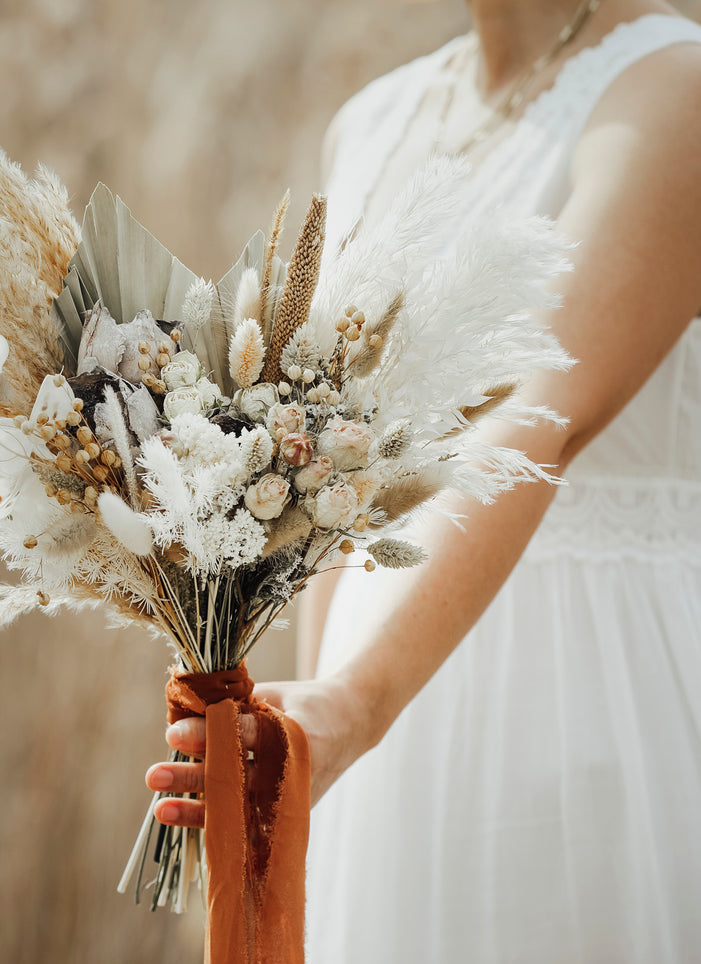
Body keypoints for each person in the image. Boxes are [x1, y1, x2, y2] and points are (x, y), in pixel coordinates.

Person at [143, 1, 701, 959]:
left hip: (586, 694)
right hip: (372, 722)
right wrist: (302, 713)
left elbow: (541, 416)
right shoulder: (371, 121)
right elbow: (326, 465)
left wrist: (355, 705)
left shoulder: (673, 91)